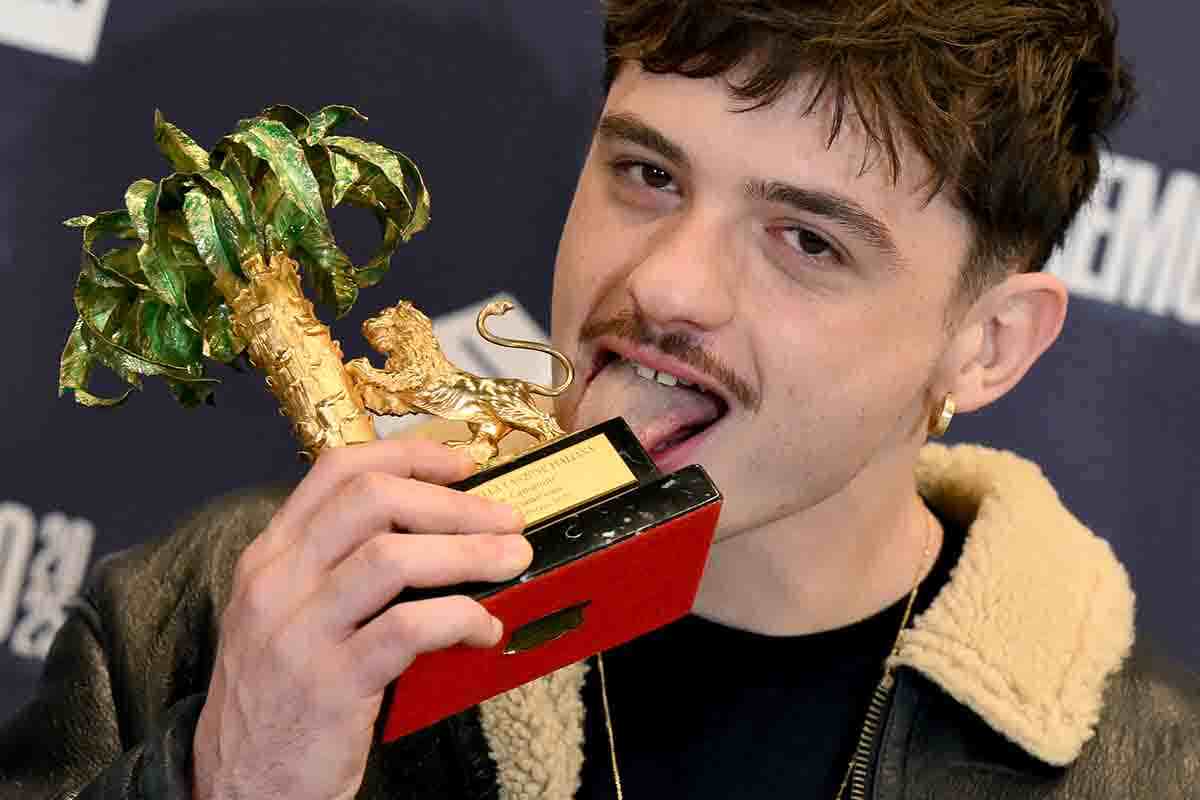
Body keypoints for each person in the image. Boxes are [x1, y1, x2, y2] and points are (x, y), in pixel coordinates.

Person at [2, 1, 1198, 798]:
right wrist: (230, 779)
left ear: (989, 345)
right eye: (647, 173)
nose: (667, 283)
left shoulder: (1149, 770)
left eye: (807, 240)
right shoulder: (209, 612)